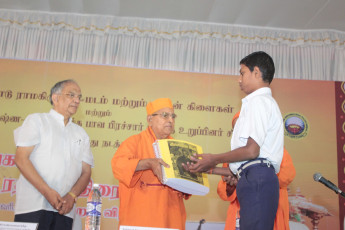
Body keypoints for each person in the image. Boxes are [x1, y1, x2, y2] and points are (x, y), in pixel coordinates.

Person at [184, 51, 284, 230]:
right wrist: (207, 168)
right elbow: (244, 163)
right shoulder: (257, 103)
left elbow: (252, 151)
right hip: (252, 177)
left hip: (258, 178)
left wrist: (213, 158)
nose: (239, 79)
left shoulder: (259, 101)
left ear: (256, 72)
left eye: (242, 73)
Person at [13, 79, 94, 230]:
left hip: (65, 210)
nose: (77, 100)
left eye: (79, 97)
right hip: (33, 206)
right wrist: (47, 192)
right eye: (71, 95)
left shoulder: (81, 133)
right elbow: (21, 159)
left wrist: (72, 196)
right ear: (55, 98)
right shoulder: (37, 120)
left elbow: (86, 171)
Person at [111, 98, 190, 230]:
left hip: (171, 221)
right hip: (140, 221)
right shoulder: (134, 142)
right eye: (165, 115)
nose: (170, 120)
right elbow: (118, 166)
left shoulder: (178, 148)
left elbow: (186, 188)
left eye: (173, 116)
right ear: (149, 120)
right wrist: (148, 163)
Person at [216, 112, 296, 230]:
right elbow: (223, 192)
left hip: (270, 210)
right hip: (240, 214)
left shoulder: (274, 150)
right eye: (237, 129)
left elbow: (287, 176)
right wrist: (230, 185)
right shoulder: (233, 157)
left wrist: (251, 179)